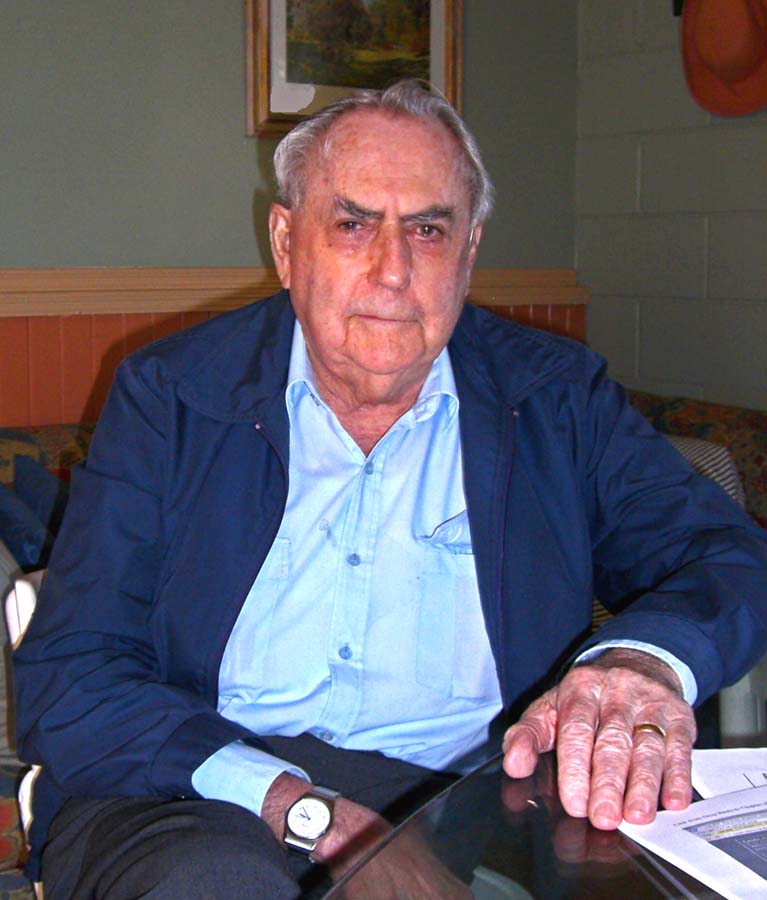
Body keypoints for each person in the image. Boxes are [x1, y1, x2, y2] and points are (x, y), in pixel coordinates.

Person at [13, 80, 767, 899]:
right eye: (352, 224)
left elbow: (728, 558)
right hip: (186, 786)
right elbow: (72, 673)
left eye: (428, 230)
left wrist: (636, 662)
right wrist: (307, 810)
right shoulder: (171, 396)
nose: (392, 270)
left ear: (469, 251)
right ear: (285, 243)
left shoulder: (553, 400)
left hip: (461, 804)